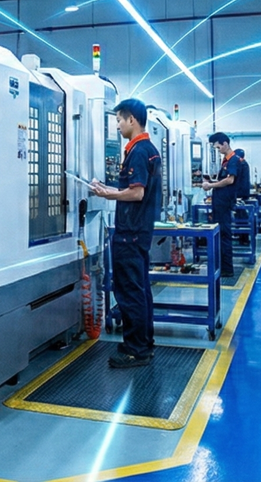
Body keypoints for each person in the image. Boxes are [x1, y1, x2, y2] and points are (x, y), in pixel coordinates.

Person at [88, 99, 161, 369]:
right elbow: (132, 187)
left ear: (132, 120)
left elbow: (136, 192)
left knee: (129, 292)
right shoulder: (149, 150)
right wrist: (105, 186)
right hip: (140, 232)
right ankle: (143, 343)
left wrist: (107, 193)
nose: (117, 125)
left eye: (119, 119)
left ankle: (135, 350)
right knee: (140, 291)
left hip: (130, 234)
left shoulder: (139, 151)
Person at [194, 132, 247, 280]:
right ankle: (221, 266)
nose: (218, 150)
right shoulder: (226, 161)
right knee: (220, 235)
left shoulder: (233, 160)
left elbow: (230, 181)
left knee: (224, 235)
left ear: (225, 143)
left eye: (218, 147)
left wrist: (211, 185)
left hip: (224, 204)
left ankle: (227, 269)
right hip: (219, 203)